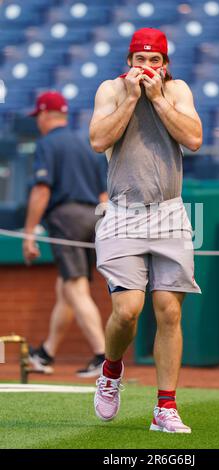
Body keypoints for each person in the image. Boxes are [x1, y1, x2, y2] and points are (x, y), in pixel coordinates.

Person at [89, 28, 202, 432]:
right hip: (122, 211)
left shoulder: (177, 90)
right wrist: (135, 98)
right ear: (130, 62)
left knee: (169, 311)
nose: (148, 68)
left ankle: (165, 408)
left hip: (170, 211)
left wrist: (156, 100)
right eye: (140, 60)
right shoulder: (112, 90)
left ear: (165, 64)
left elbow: (194, 138)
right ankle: (112, 370)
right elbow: (98, 139)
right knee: (128, 311)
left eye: (155, 61)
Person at [23, 91, 107, 378]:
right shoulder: (84, 145)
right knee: (66, 288)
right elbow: (104, 194)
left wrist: (29, 233)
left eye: (39, 116)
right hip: (94, 217)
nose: (38, 122)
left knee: (74, 287)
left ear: (46, 114)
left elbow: (42, 189)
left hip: (67, 217)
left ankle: (103, 356)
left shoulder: (47, 144)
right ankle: (46, 353)